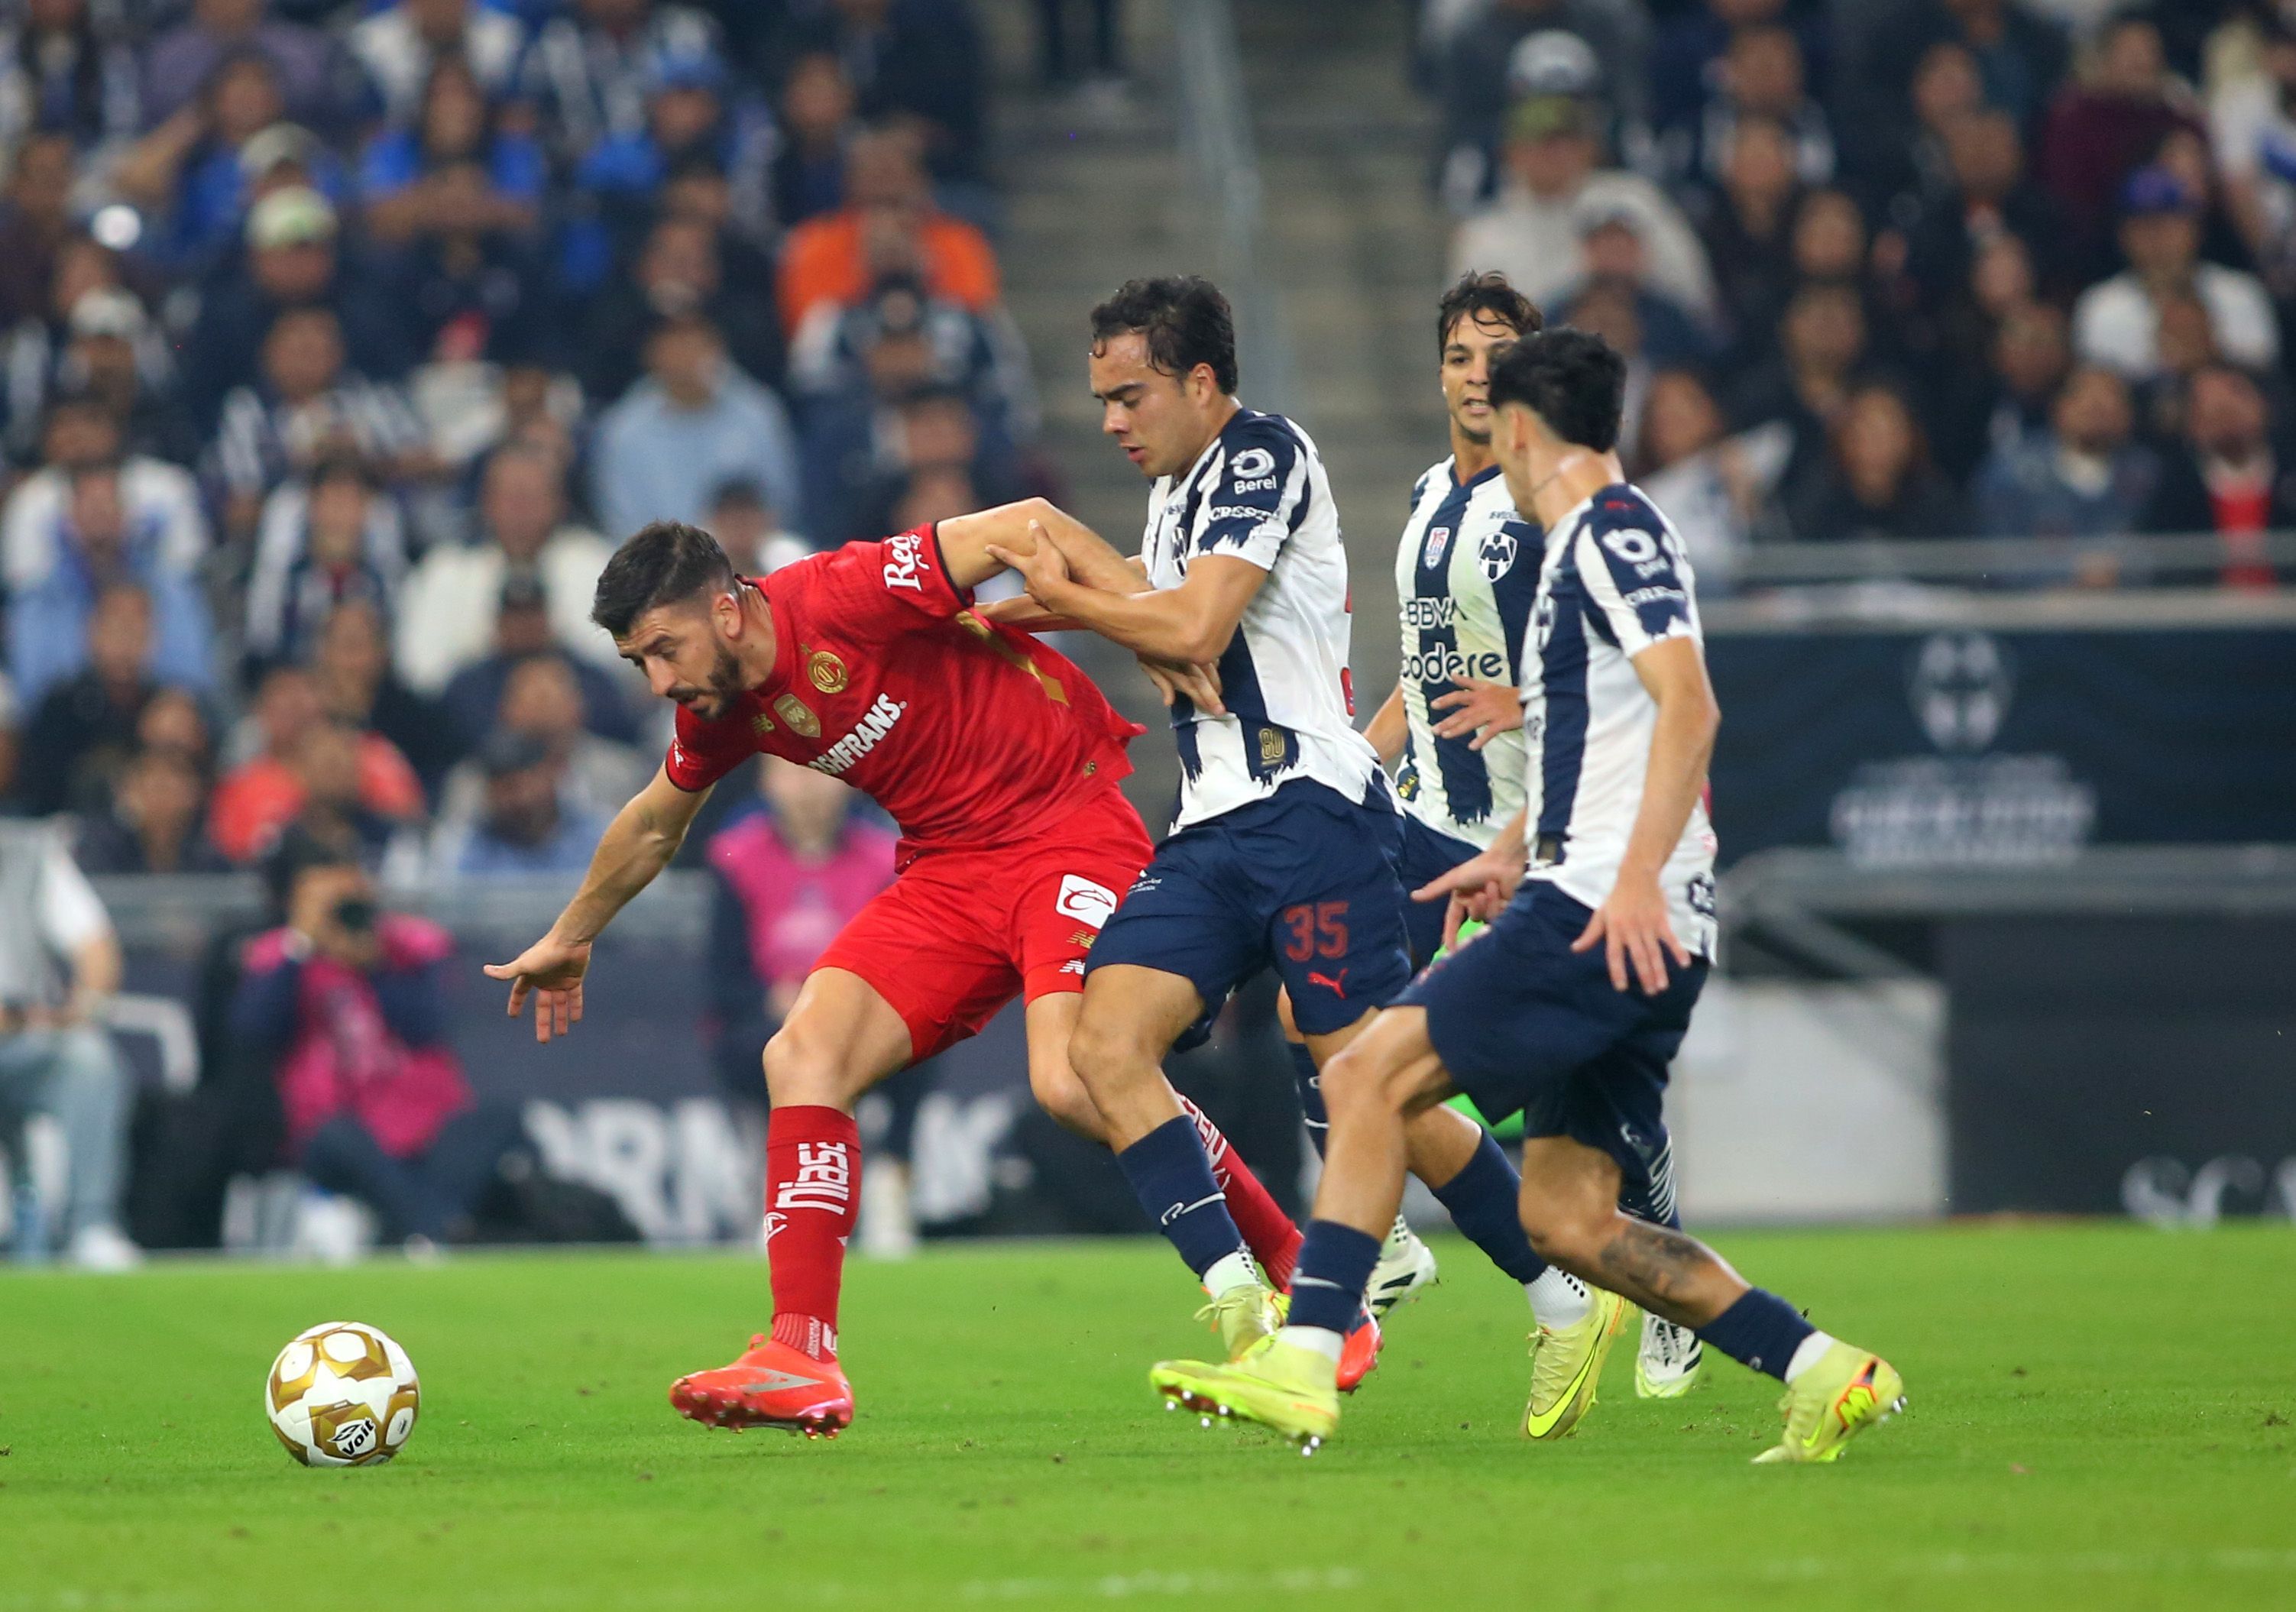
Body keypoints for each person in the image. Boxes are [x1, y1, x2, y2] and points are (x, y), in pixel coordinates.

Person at [1146, 329, 1905, 1465]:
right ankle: (1823, 1366)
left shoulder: (1613, 529)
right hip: (1593, 890)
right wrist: (1513, 845)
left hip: (1604, 907)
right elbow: (1596, 737)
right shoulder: (1580, 546)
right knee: (1568, 1219)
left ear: (1521, 429)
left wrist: (1631, 876)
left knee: (1363, 1070)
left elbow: (1689, 709)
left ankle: (1308, 1354)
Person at [483, 500, 1332, 1437]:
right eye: (637, 661)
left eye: (662, 649)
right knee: (802, 1053)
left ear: (725, 610)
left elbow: (1026, 525)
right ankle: (800, 1350)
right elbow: (654, 822)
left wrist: (1156, 622)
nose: (655, 682)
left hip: (1067, 828)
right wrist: (571, 933)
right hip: (949, 868)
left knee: (1072, 1078)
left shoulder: (842, 591)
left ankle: (1293, 1267)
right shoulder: (722, 706)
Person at [985, 278, 1532, 1386]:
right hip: (1214, 822)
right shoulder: (1177, 494)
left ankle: (1558, 1271)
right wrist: (979, 618)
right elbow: (1159, 615)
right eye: (1100, 399)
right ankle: (1241, 1301)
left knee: (1375, 1087)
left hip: (1310, 812)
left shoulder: (1263, 454)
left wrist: (1079, 598)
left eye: (1129, 395)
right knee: (1102, 1043)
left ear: (1199, 382)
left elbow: (1187, 625)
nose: (1110, 422)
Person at [1362, 274, 1713, 1402]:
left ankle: (1643, 1264)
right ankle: (1407, 1249)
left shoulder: (1546, 506)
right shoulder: (1426, 496)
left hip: (1529, 824)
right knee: (1323, 1019)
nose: (1475, 375)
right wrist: (1356, 752)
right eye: (1459, 355)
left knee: (1527, 1084)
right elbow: (1424, 672)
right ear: (1440, 373)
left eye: (1496, 355)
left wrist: (1525, 701)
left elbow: (1621, 664)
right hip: (1427, 815)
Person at [232, 827, 523, 1248]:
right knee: (335, 1141)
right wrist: (305, 940)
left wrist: (374, 962)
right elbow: (253, 1032)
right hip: (342, 1127)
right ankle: (435, 1232)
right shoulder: (280, 956)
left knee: (496, 1121)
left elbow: (428, 1025)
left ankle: (416, 1230)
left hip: (426, 1122)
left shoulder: (410, 944)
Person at [706, 757, 931, 1258]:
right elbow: (723, 979)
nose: (806, 788)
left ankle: (891, 1174)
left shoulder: (884, 859)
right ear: (767, 781)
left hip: (859, 1020)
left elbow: (904, 962)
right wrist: (778, 1001)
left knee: (923, 1042)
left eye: (816, 772)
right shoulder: (735, 859)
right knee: (756, 1047)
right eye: (789, 773)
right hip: (771, 1026)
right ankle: (779, 1192)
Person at [0, 817, 138, 1269]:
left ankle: (91, 1226)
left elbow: (95, 945)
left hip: (22, 1041)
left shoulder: (25, 849)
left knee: (88, 1058)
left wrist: (78, 1011)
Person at [393, 444, 618, 695]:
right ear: (486, 503)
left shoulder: (597, 563)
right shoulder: (446, 570)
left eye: (532, 498)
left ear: (559, 502)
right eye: (510, 498)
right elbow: (420, 671)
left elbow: (625, 667)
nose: (521, 511)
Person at [588, 312, 799, 538]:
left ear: (719, 349)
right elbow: (620, 522)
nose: (687, 357)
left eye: (697, 345)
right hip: (657, 564)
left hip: (751, 557)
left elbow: (782, 501)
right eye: (676, 346)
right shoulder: (623, 430)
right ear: (652, 355)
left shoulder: (758, 413)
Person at [439, 729, 608, 877]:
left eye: (523, 784)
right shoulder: (468, 847)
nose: (517, 799)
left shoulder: (597, 833)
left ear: (551, 775)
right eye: (503, 789)